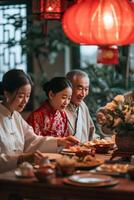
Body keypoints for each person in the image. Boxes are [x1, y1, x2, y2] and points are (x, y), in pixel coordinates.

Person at [0, 69, 79, 173]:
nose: (25, 101)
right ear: (7, 93)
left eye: (27, 96)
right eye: (20, 96)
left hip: (18, 175)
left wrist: (60, 141)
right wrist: (22, 158)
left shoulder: (16, 117)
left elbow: (33, 141)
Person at [65, 69, 97, 143]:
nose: (83, 94)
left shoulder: (83, 106)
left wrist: (101, 142)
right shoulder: (60, 107)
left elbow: (91, 134)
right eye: (80, 88)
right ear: (68, 87)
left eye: (86, 89)